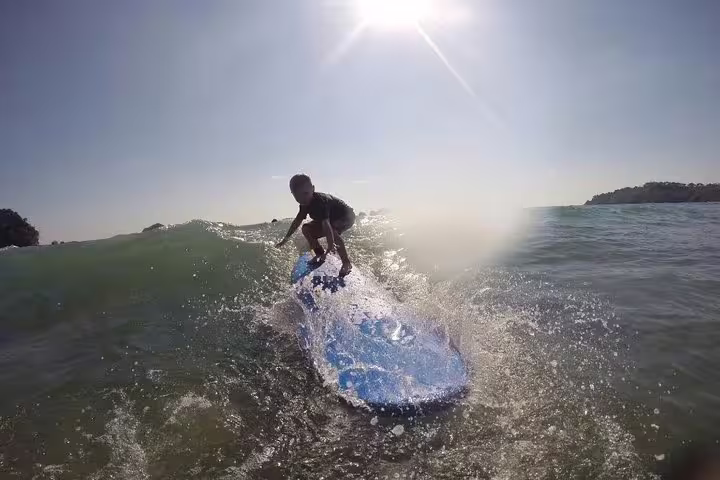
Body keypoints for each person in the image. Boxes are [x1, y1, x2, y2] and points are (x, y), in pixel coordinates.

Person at [275, 174, 356, 276]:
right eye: (297, 196)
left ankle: (346, 263)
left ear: (313, 189)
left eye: (305, 193)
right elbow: (296, 222)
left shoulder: (320, 202)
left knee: (332, 230)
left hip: (346, 217)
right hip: (331, 220)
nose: (303, 199)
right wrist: (285, 239)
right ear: (293, 194)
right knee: (306, 229)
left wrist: (329, 247)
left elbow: (327, 226)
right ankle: (319, 253)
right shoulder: (304, 205)